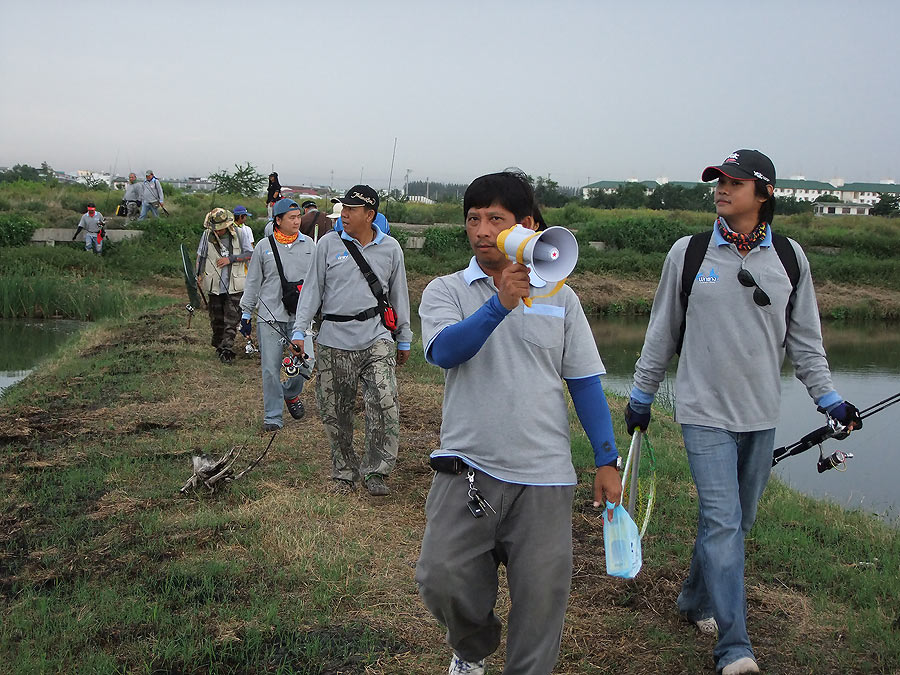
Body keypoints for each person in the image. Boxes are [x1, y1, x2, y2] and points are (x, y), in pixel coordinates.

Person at [626, 150, 862, 675]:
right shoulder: (686, 255)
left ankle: (694, 599)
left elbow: (805, 344)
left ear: (764, 193)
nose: (722, 189)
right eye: (719, 181)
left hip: (760, 414)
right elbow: (660, 333)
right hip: (702, 412)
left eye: (735, 182)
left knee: (735, 521)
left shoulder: (790, 258)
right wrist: (640, 397)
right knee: (723, 520)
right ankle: (734, 648)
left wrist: (830, 400)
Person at [415, 172, 622, 675]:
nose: (482, 229)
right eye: (473, 218)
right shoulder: (446, 290)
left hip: (545, 478)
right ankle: (471, 648)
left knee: (541, 604)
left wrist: (606, 458)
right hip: (469, 468)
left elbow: (586, 381)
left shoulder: (561, 298)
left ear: (525, 226)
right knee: (440, 577)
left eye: (496, 219)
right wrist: (499, 304)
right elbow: (445, 351)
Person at [291, 185, 412, 497]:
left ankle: (377, 471)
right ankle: (344, 472)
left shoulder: (391, 249)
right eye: (342, 208)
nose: (343, 214)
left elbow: (399, 296)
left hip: (377, 337)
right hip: (333, 340)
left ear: (369, 215)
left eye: (351, 210)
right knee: (336, 410)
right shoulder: (328, 245)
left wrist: (405, 339)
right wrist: (299, 332)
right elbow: (312, 291)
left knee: (385, 404)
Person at [241, 199, 316, 431]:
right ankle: (273, 417)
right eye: (292, 218)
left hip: (300, 317)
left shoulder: (310, 245)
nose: (297, 221)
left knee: (307, 363)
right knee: (270, 368)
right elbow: (253, 282)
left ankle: (289, 393)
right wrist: (245, 313)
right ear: (278, 220)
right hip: (270, 315)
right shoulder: (264, 246)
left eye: (298, 217)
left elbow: (316, 282)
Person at [196, 208, 254, 364]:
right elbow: (201, 255)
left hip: (235, 284)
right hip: (214, 284)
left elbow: (250, 254)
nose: (218, 231)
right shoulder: (207, 235)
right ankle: (219, 346)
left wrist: (231, 259)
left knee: (232, 319)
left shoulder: (240, 234)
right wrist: (198, 274)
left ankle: (227, 348)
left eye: (221, 228)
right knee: (216, 320)